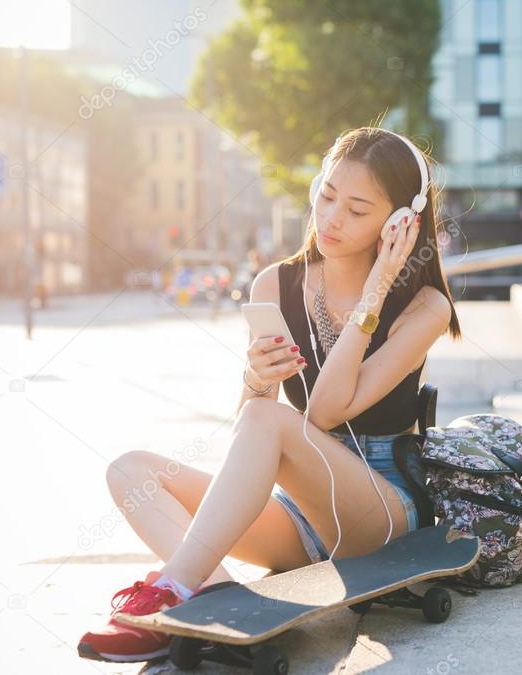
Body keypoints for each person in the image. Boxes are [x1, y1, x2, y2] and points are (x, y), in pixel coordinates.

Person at [77, 126, 463, 663]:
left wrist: (376, 286)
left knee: (271, 418)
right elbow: (250, 428)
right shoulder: (274, 286)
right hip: (300, 509)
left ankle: (174, 592)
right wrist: (255, 380)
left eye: (356, 210)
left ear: (400, 223)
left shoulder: (424, 307)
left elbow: (325, 411)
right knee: (129, 471)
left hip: (381, 510)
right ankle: (214, 595)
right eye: (327, 196)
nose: (330, 220)